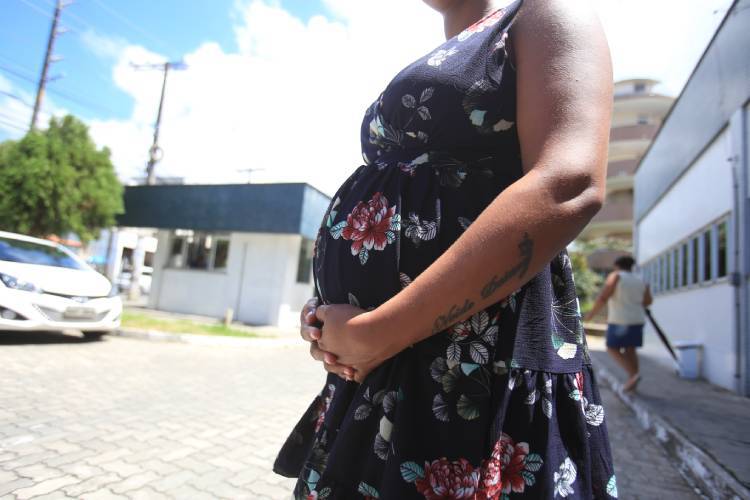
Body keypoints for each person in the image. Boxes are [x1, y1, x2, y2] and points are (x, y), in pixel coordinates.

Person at [275, 0, 617, 497]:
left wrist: (378, 330)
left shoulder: (542, 11)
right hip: (385, 367)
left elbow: (568, 183)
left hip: (469, 368)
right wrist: (332, 318)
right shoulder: (458, 46)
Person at [585, 255, 652, 393]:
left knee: (612, 348)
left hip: (620, 320)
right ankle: (633, 382)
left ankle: (634, 375)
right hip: (637, 319)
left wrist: (591, 315)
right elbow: (647, 301)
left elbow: (603, 297)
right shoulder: (641, 280)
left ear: (616, 266)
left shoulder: (616, 276)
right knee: (630, 349)